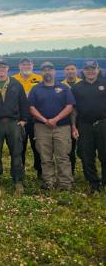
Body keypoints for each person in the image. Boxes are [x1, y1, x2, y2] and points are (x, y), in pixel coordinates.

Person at [0, 58, 30, 194]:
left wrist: (24, 120)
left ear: (8, 69)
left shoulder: (16, 84)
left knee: (17, 153)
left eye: (3, 67)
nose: (1, 70)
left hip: (13, 123)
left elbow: (24, 103)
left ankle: (18, 181)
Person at [28, 62, 75, 190]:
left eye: (50, 70)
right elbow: (31, 107)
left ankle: (65, 183)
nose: (47, 72)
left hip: (62, 127)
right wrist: (45, 120)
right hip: (42, 127)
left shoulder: (64, 87)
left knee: (63, 156)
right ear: (41, 73)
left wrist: (55, 119)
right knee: (45, 157)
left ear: (54, 71)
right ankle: (49, 182)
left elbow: (70, 106)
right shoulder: (36, 89)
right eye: (44, 70)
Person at [71, 60, 106, 194]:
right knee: (86, 155)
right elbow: (73, 110)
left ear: (98, 70)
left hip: (103, 123)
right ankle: (93, 182)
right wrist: (74, 126)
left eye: (93, 68)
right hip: (84, 125)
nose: (90, 71)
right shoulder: (77, 87)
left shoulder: (104, 83)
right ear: (83, 71)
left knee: (105, 154)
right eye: (87, 69)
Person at [12, 58, 43, 179]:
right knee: (20, 147)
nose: (26, 66)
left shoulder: (39, 79)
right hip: (20, 118)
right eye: (23, 64)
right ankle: (20, 171)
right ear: (19, 66)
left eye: (28, 64)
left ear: (32, 65)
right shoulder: (13, 79)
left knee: (38, 146)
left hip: (36, 118)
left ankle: (40, 171)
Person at [62, 62, 82, 174]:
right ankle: (71, 173)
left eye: (72, 69)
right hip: (68, 121)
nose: (70, 71)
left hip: (83, 120)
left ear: (77, 70)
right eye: (68, 69)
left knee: (84, 148)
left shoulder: (83, 83)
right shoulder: (61, 86)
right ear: (64, 71)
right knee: (70, 148)